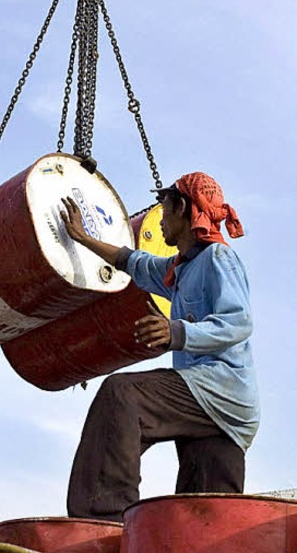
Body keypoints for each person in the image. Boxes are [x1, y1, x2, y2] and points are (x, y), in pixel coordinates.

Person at [60, 171, 260, 521]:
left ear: (182, 208)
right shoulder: (179, 271)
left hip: (217, 389)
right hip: (226, 417)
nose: (161, 220)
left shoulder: (217, 259)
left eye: (165, 210)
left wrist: (175, 332)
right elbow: (132, 262)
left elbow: (238, 321)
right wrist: (81, 237)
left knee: (123, 396)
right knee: (202, 519)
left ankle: (103, 516)